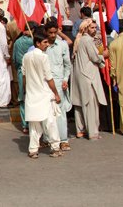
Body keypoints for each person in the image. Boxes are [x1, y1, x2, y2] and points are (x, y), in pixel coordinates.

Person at [23, 30, 63, 159]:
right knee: (50, 123)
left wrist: (27, 90)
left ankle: (33, 149)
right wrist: (56, 93)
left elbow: (24, 77)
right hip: (44, 94)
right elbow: (49, 78)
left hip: (31, 95)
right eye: (45, 42)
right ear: (38, 43)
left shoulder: (26, 57)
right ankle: (55, 147)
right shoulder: (44, 57)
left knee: (34, 125)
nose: (47, 44)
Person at [70, 19, 108, 140]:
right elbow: (95, 57)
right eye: (92, 27)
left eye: (95, 27)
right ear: (86, 28)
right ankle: (92, 132)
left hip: (81, 74)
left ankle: (80, 130)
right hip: (88, 75)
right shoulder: (86, 40)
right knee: (90, 104)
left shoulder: (80, 39)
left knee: (81, 103)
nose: (95, 30)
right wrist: (105, 54)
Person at [44, 21, 73, 150]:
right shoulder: (42, 47)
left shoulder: (62, 45)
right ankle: (48, 138)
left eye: (55, 32)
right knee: (47, 112)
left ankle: (63, 140)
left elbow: (67, 65)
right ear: (46, 33)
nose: (53, 35)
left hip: (60, 83)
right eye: (50, 33)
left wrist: (66, 79)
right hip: (45, 83)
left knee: (60, 112)